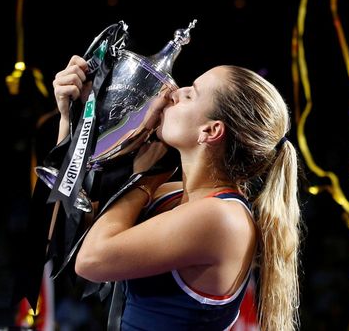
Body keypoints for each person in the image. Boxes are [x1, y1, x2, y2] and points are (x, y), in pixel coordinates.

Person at [52, 55, 302, 331]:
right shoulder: (171, 194)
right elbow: (64, 235)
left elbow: (91, 261)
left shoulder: (220, 217)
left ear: (210, 130)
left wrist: (142, 179)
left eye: (190, 94)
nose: (173, 93)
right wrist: (76, 120)